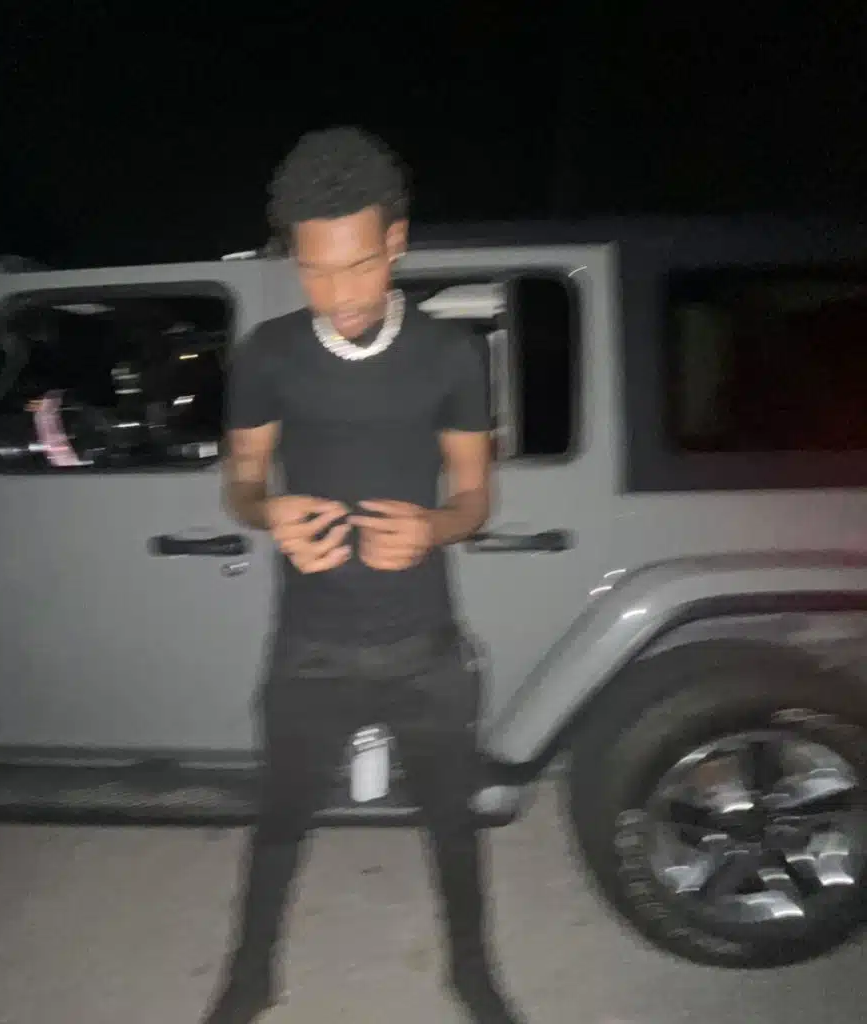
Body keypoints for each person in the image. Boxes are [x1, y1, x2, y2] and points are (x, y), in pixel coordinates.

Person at [203, 127, 527, 1024]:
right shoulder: (267, 355)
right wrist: (266, 511)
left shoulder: (448, 356)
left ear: (396, 243)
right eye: (314, 271)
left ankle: (472, 976)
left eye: (357, 266)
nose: (339, 295)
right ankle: (249, 980)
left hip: (426, 647)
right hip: (309, 646)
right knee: (279, 823)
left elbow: (475, 496)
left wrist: (433, 528)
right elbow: (241, 478)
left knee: (454, 825)